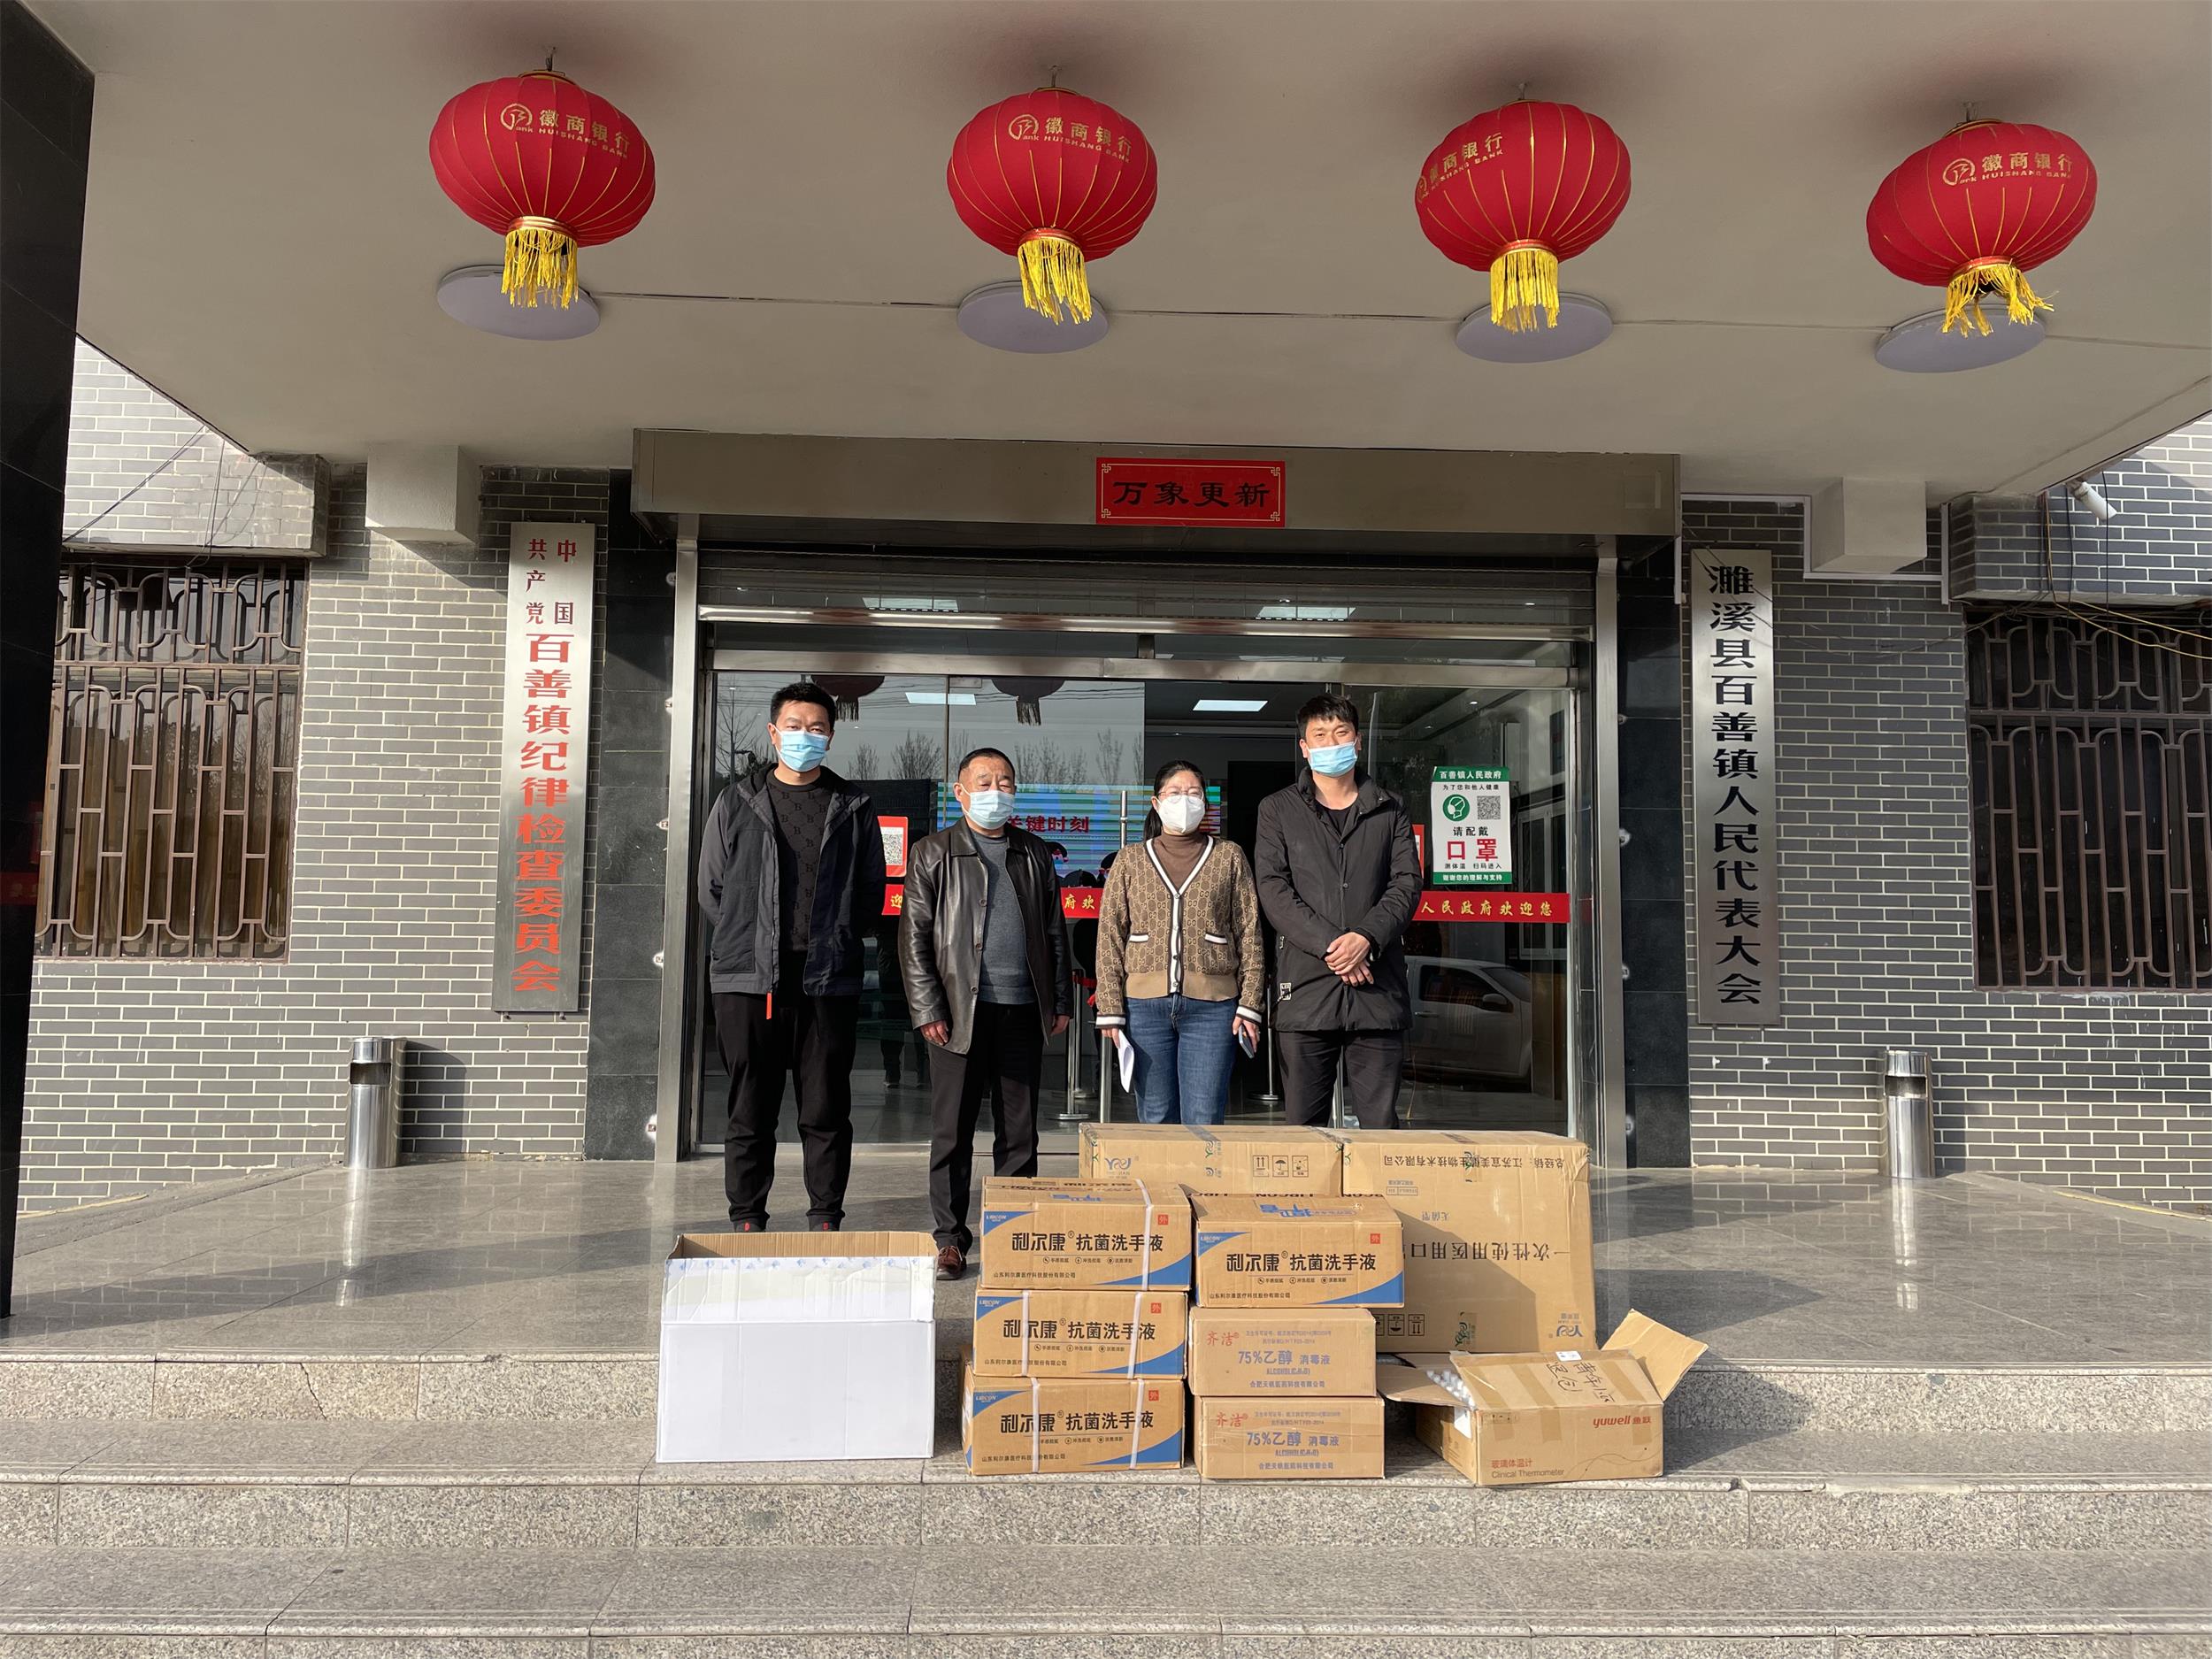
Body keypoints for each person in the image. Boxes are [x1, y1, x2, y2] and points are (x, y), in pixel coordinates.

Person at [696, 681, 887, 1232]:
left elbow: (870, 890)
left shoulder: (853, 805)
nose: (806, 736)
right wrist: (752, 938)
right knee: (749, 1107)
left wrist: (841, 936)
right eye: (795, 726)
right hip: (748, 979)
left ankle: (825, 1214)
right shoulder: (736, 801)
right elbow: (712, 888)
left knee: (825, 1108)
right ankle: (747, 1216)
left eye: (817, 728)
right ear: (774, 733)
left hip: (827, 978)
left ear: (831, 735)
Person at [901, 748, 1072, 1279]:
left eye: (1005, 782)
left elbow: (1054, 931)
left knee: (1019, 1132)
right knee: (952, 1132)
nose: (996, 791)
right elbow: (914, 939)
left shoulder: (1033, 852)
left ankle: (1012, 1233)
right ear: (960, 792)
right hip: (958, 1013)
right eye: (984, 782)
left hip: (1022, 1009)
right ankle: (950, 1239)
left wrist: (1060, 1000)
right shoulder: (933, 853)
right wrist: (928, 1007)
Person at [1253, 693, 1421, 1129]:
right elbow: (1273, 889)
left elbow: (1406, 883)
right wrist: (1335, 946)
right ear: (1305, 747)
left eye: (1341, 733)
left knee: (1380, 1129)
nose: (1332, 744)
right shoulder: (1277, 809)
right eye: (1320, 736)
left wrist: (1366, 938)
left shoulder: (1390, 808)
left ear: (1358, 741)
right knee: (1304, 1131)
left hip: (1377, 991)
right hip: (1306, 990)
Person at [1094, 761, 1264, 1125]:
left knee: (1204, 1116)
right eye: (1174, 793)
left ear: (1205, 803)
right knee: (1156, 1116)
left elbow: (1249, 931)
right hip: (1144, 1007)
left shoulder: (1229, 856)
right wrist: (1110, 1007)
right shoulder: (1129, 860)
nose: (1184, 800)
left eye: (1193, 793)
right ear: (1156, 803)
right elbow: (1110, 936)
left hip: (1213, 1007)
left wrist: (1250, 1003)